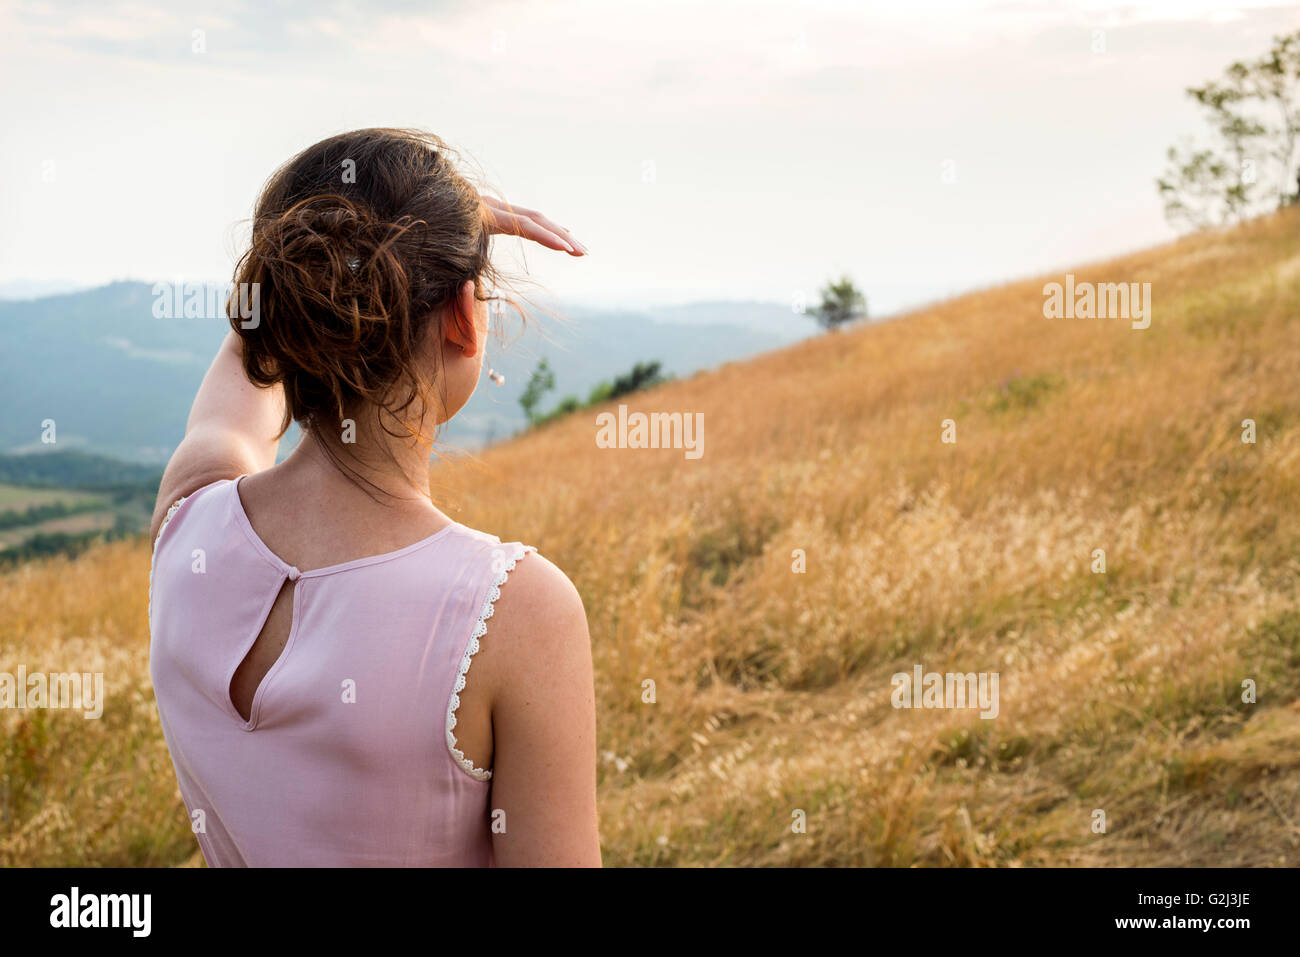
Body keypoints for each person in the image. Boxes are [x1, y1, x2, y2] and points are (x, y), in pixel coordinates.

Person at [148, 128, 600, 867]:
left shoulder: (189, 513)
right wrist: (444, 231)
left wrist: (424, 240)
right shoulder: (516, 610)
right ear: (465, 315)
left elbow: (243, 365)